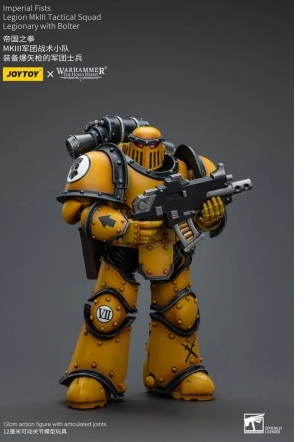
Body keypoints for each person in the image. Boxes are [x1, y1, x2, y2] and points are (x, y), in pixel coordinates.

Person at [57, 125, 226, 409]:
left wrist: (208, 218)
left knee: (182, 311)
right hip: (121, 251)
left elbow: (203, 216)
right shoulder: (106, 163)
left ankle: (177, 371)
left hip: (170, 247)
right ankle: (95, 373)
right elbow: (77, 211)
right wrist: (124, 228)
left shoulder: (189, 166)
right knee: (108, 310)